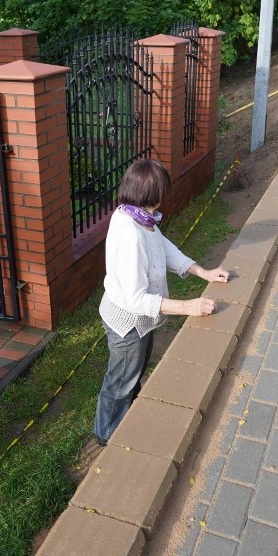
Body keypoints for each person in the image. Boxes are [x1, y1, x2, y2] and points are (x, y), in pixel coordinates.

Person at [93, 159, 230, 445]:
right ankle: (107, 434)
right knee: (121, 382)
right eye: (162, 191)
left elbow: (162, 247)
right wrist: (187, 307)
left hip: (139, 322)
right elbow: (135, 300)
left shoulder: (138, 217)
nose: (164, 196)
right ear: (151, 195)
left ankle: (124, 417)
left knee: (133, 373)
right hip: (128, 324)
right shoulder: (130, 233)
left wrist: (202, 271)